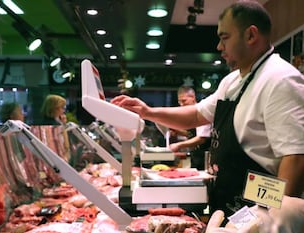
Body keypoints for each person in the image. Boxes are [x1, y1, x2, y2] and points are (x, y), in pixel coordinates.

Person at [112, 0, 304, 218]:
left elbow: (295, 158)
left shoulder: (280, 80)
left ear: (251, 35)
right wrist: (147, 111)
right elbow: (195, 115)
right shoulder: (233, 81)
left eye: (225, 38)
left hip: (260, 213)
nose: (219, 47)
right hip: (231, 204)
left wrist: (276, 226)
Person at [168, 86, 211, 170]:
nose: (181, 104)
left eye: (184, 101)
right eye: (179, 102)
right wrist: (177, 131)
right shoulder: (191, 113)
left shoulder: (201, 111)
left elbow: (202, 138)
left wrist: (179, 145)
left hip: (205, 157)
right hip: (195, 156)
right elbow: (191, 134)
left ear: (193, 98)